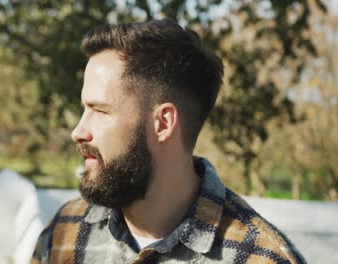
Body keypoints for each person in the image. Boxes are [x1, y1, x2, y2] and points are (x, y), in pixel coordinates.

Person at [30, 18, 305, 264]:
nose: (78, 131)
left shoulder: (261, 258)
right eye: (84, 109)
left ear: (162, 123)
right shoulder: (65, 232)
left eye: (100, 110)